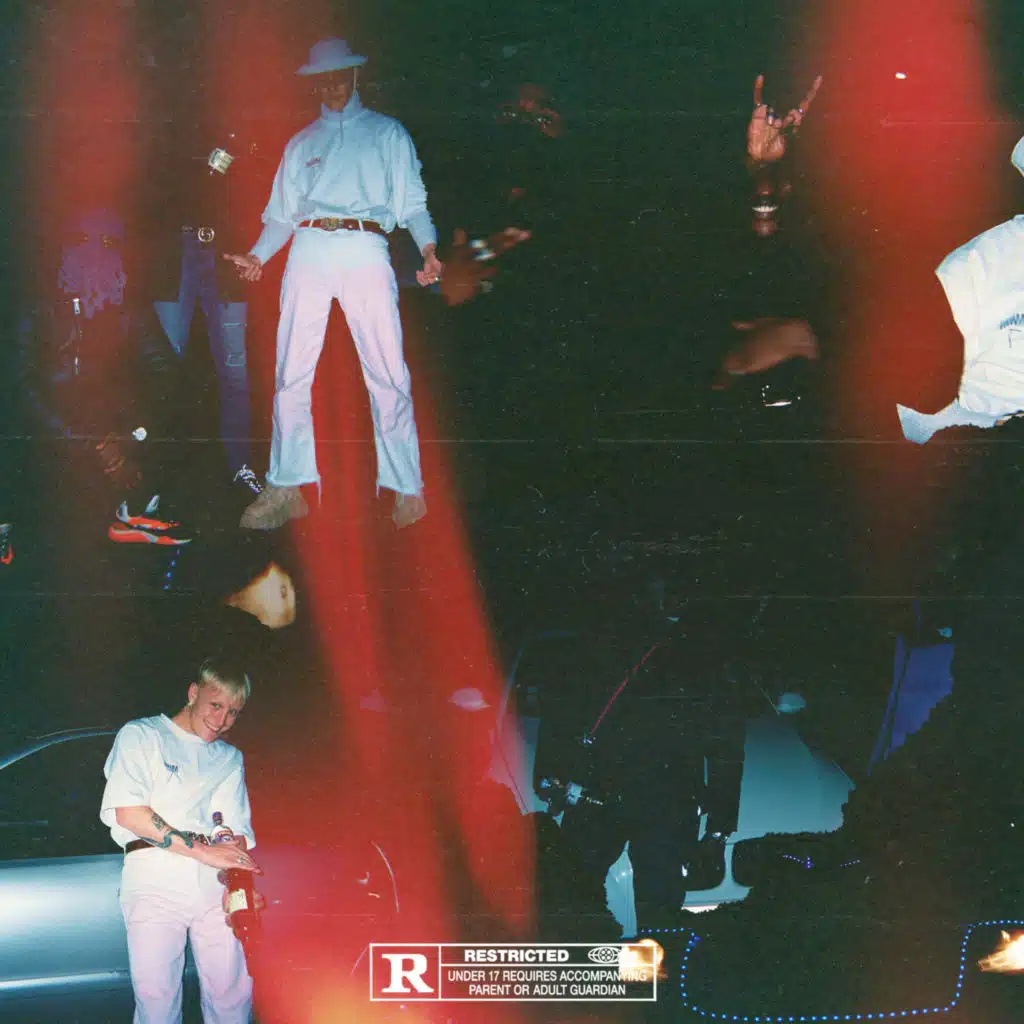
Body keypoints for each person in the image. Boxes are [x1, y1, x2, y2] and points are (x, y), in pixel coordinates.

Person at [225, 37, 442, 531]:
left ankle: (407, 488)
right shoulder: (301, 143)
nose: (331, 85)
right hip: (308, 249)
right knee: (291, 370)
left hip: (366, 247)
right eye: (322, 78)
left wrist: (428, 249)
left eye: (339, 76)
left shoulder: (388, 133)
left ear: (355, 75)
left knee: (387, 370)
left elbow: (413, 204)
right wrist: (257, 256)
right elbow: (280, 217)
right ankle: (287, 485)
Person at [15, 206, 191, 546]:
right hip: (55, 430)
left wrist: (132, 435)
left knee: (176, 414)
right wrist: (86, 439)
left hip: (111, 430)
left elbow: (167, 374)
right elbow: (23, 387)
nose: (94, 255)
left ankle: (134, 512)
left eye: (108, 243)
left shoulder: (129, 311)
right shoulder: (39, 308)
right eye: (82, 240)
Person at [100, 656, 261, 1023]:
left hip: (213, 883)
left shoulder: (229, 758)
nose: (222, 720)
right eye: (215, 705)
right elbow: (131, 814)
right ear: (192, 693)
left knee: (232, 995)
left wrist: (240, 888)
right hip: (153, 878)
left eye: (233, 712)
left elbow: (233, 834)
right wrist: (204, 852)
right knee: (157, 1000)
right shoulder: (142, 735)